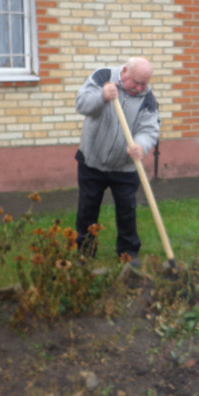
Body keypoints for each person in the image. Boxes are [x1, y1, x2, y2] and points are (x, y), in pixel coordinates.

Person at [74, 57, 160, 267]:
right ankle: (85, 251)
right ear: (124, 72)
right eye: (136, 82)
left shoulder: (148, 98)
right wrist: (101, 96)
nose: (139, 87)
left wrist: (141, 144)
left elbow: (149, 129)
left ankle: (128, 254)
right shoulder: (103, 76)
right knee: (87, 209)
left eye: (144, 83)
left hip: (125, 167)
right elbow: (82, 104)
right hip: (92, 160)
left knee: (126, 211)